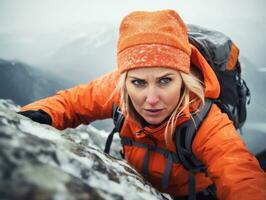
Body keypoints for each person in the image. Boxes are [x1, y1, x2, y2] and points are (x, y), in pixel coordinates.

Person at [19, 10, 266, 200]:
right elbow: (72, 103)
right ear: (125, 81)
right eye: (138, 82)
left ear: (184, 80)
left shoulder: (203, 119)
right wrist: (33, 116)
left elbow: (239, 172)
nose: (151, 99)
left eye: (165, 80)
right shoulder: (117, 88)